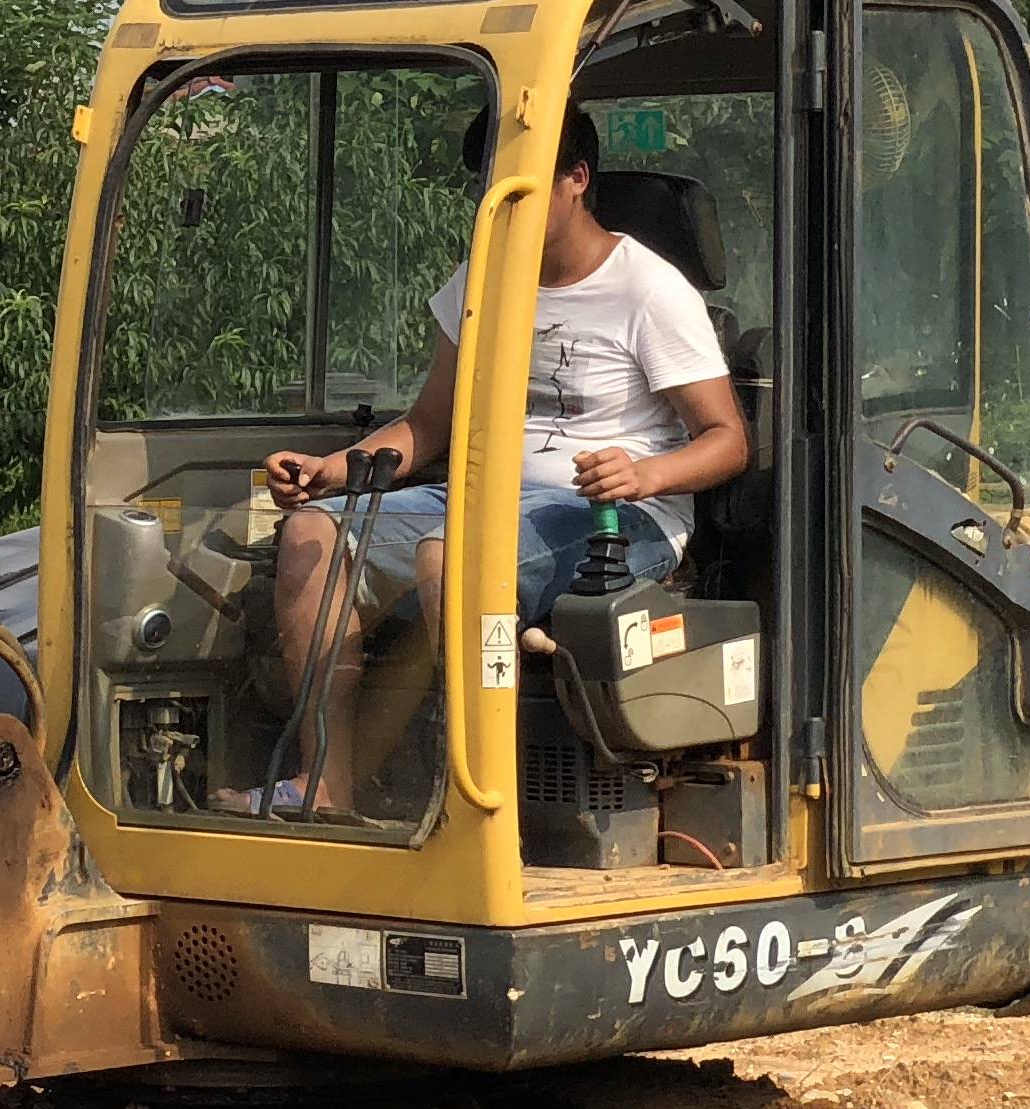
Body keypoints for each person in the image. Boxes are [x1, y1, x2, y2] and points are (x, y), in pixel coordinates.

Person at [246, 105, 747, 819]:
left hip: (621, 519)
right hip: (485, 501)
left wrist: (647, 475)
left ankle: (478, 801)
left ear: (576, 179)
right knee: (311, 538)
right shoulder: (482, 276)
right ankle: (324, 784)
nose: (501, 203)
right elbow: (428, 426)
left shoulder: (648, 290)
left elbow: (729, 440)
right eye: (490, 187)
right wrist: (331, 469)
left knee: (448, 558)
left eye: (521, 184)